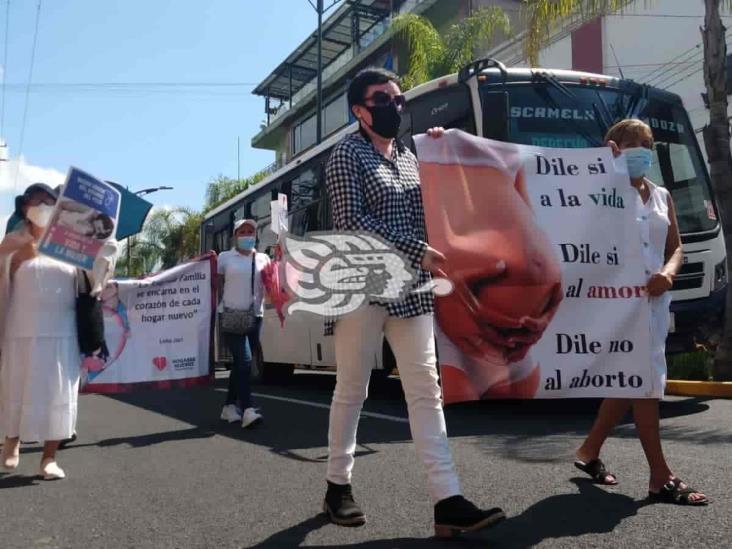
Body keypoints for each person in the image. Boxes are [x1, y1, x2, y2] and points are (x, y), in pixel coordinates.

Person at [322, 67, 505, 537]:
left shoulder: (410, 156)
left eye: (399, 98)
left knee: (425, 389)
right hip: (363, 287)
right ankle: (337, 485)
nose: (395, 106)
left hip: (413, 291)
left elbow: (438, 203)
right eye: (383, 98)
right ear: (360, 110)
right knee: (353, 389)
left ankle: (448, 500)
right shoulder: (345, 155)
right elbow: (351, 225)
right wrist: (416, 251)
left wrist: (443, 148)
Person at [574, 119, 708, 506]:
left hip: (653, 305)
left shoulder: (662, 196)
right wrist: (604, 170)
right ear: (611, 146)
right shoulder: (599, 193)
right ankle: (660, 476)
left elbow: (676, 246)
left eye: (646, 143)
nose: (640, 149)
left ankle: (588, 452)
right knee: (644, 383)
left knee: (631, 380)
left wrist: (668, 273)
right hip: (615, 307)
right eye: (630, 142)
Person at [416, 130, 563, 402]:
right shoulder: (435, 147)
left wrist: (553, 278)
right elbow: (427, 223)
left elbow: (524, 213)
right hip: (461, 318)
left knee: (519, 420)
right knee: (457, 427)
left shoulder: (509, 151)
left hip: (522, 338)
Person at [0, 183, 114, 479]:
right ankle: (11, 441)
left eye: (49, 201)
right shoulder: (12, 242)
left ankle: (48, 458)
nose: (42, 206)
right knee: (17, 385)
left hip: (62, 329)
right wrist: (18, 256)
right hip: (20, 328)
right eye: (36, 201)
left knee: (58, 392)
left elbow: (99, 273)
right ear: (24, 208)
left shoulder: (75, 245)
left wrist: (101, 230)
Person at [217, 218, 269, 429]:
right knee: (246, 360)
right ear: (235, 235)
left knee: (240, 364)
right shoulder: (224, 257)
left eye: (251, 231)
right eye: (242, 231)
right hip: (230, 316)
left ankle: (229, 406)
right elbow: (216, 284)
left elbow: (270, 283)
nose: (247, 235)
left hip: (255, 316)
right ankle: (248, 408)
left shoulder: (264, 258)